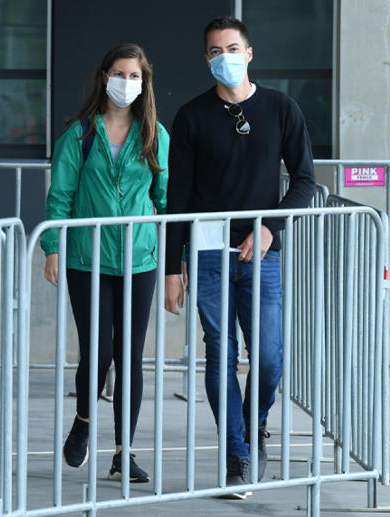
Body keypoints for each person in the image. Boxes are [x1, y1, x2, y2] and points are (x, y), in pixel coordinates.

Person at [163, 16, 316, 497]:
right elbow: (178, 201)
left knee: (269, 359)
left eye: (231, 48)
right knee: (220, 356)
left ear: (249, 53)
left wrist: (270, 228)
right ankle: (237, 457)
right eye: (213, 51)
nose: (222, 57)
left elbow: (305, 180)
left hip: (261, 255)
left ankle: (255, 427)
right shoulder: (190, 116)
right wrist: (173, 267)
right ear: (205, 59)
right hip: (208, 253)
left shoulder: (281, 108)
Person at [42, 43, 168, 483]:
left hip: (140, 259)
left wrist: (176, 261)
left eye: (134, 76)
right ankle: (83, 421)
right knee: (97, 352)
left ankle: (123, 453)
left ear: (144, 82)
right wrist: (53, 249)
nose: (126, 83)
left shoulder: (155, 134)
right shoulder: (79, 134)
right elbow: (59, 197)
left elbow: (165, 199)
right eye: (120, 74)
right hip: (87, 258)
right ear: (103, 77)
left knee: (129, 356)